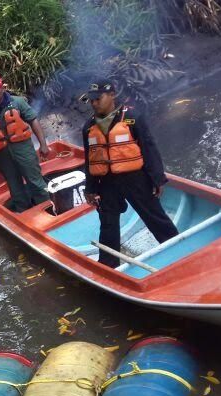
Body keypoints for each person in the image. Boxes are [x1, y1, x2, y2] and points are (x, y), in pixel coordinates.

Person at [81, 79, 179, 268]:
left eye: (97, 99)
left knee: (154, 216)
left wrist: (157, 179)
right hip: (106, 181)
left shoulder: (132, 117)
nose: (94, 103)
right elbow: (90, 159)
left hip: (135, 178)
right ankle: (109, 266)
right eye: (91, 100)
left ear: (112, 95)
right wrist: (90, 189)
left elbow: (149, 148)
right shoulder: (88, 127)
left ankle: (178, 252)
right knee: (108, 222)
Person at [0, 76, 52, 212]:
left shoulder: (18, 102)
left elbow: (33, 121)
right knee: (15, 188)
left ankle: (48, 210)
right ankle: (25, 213)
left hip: (24, 150)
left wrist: (43, 145)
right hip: (3, 157)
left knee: (36, 182)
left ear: (2, 88)